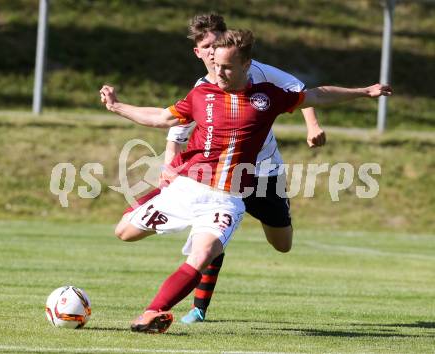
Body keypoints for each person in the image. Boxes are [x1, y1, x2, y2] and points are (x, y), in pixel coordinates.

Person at [99, 29, 392, 334]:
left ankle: (152, 313)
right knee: (124, 233)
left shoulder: (268, 97)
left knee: (204, 253)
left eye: (226, 67)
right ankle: (158, 197)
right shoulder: (201, 94)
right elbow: (162, 117)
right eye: (216, 65)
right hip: (188, 186)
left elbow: (317, 94)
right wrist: (118, 106)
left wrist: (364, 92)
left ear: (246, 65)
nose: (218, 72)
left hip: (227, 198)